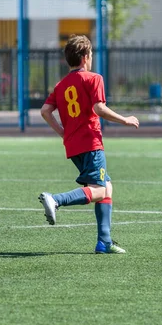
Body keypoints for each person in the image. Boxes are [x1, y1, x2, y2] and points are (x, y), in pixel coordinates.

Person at [38, 34, 139, 254]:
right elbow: (98, 108)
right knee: (99, 190)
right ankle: (56, 200)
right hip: (91, 142)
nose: (91, 58)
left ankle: (104, 242)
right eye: (91, 54)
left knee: (107, 187)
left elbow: (45, 111)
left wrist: (62, 133)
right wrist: (125, 119)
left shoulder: (61, 85)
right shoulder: (94, 78)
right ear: (85, 57)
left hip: (73, 146)